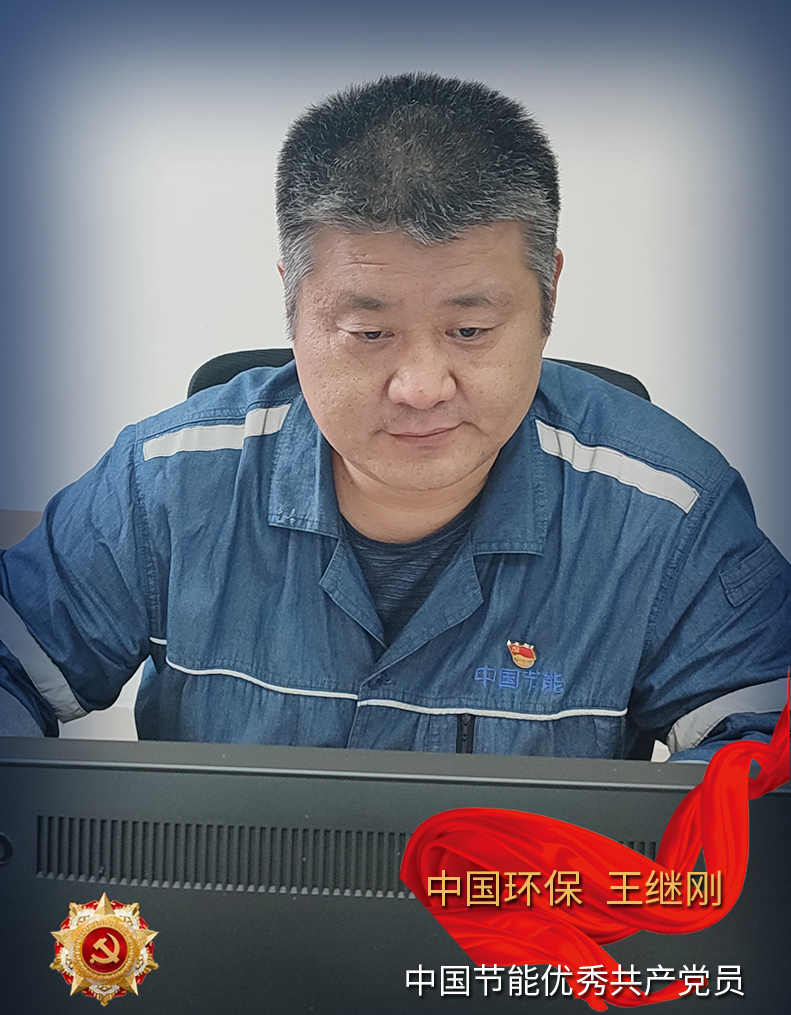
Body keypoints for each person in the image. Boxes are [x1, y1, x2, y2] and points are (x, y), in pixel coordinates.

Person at [0, 73, 788, 759]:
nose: (420, 387)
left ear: (548, 290)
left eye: (469, 330)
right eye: (369, 333)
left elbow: (763, 742)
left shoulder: (668, 513)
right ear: (294, 302)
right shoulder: (163, 484)